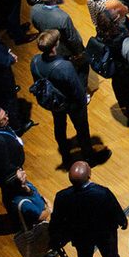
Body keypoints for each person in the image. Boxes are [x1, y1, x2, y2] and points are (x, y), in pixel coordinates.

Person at [50, 161, 129, 257]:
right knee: (111, 255)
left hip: (80, 236)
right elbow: (114, 209)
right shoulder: (102, 193)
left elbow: (56, 219)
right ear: (89, 175)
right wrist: (122, 221)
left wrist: (55, 236)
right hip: (104, 233)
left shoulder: (61, 196)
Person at [32, 30, 95, 160]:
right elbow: (78, 91)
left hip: (53, 101)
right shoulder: (65, 67)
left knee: (59, 125)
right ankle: (89, 156)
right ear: (55, 46)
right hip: (71, 104)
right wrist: (82, 104)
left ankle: (64, 150)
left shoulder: (35, 61)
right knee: (82, 129)